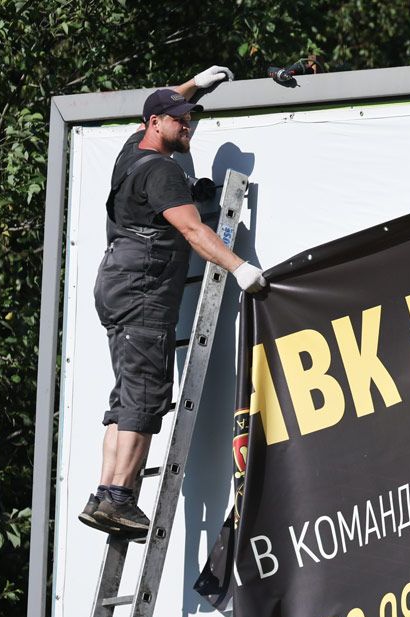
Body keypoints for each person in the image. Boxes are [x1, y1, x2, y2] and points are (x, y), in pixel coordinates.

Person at [79, 65, 269, 537]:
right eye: (180, 120)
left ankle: (104, 494)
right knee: (144, 395)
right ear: (155, 123)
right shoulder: (162, 171)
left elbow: (159, 99)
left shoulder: (132, 153)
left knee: (127, 393)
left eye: (190, 118)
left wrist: (195, 86)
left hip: (117, 281)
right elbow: (192, 230)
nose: (187, 126)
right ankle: (119, 498)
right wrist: (239, 267)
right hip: (142, 288)